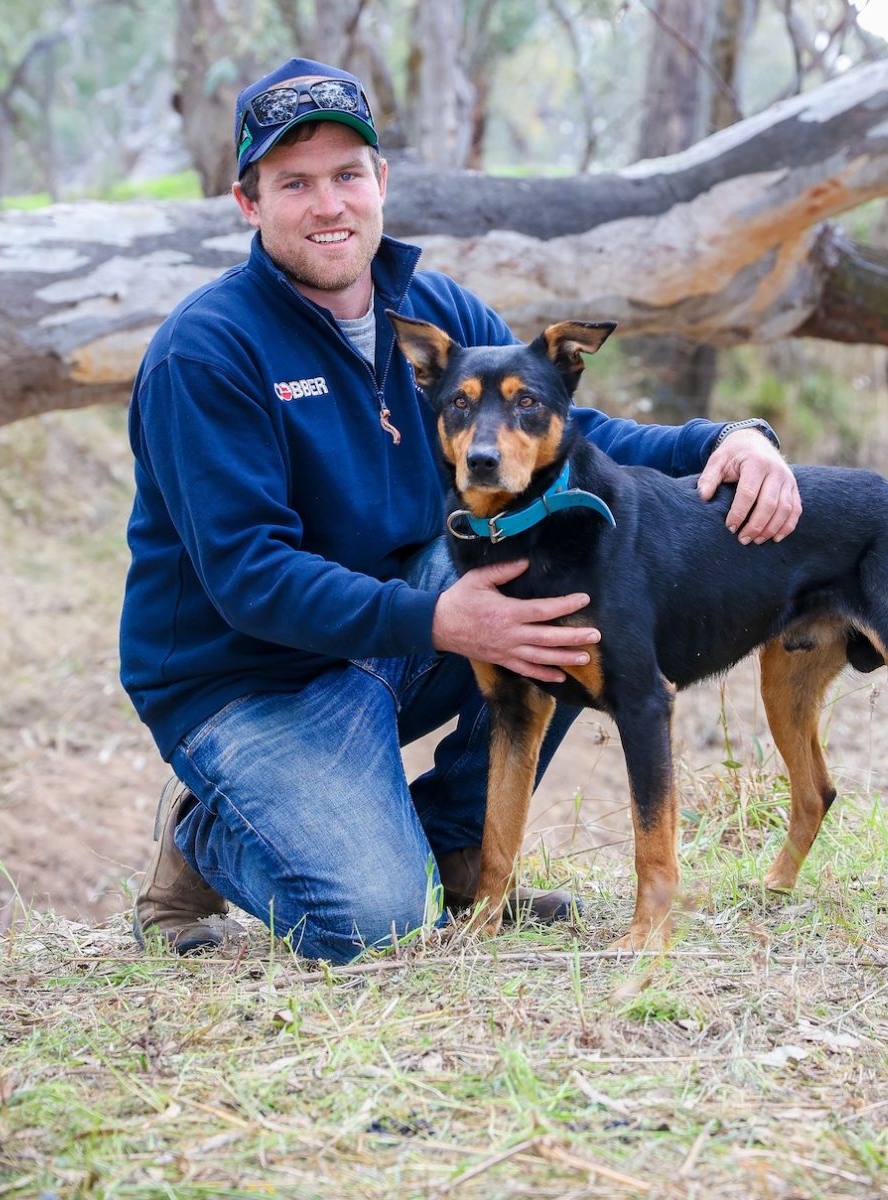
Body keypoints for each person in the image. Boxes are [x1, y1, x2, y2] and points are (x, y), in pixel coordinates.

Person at [124, 57, 802, 964]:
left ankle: (456, 846)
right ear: (248, 203)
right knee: (373, 924)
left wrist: (726, 438)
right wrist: (443, 619)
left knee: (564, 576)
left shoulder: (433, 307)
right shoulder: (206, 354)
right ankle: (211, 828)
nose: (328, 204)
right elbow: (248, 576)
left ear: (380, 184)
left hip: (401, 624)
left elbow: (563, 434)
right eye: (294, 183)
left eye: (346, 176)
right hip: (251, 677)